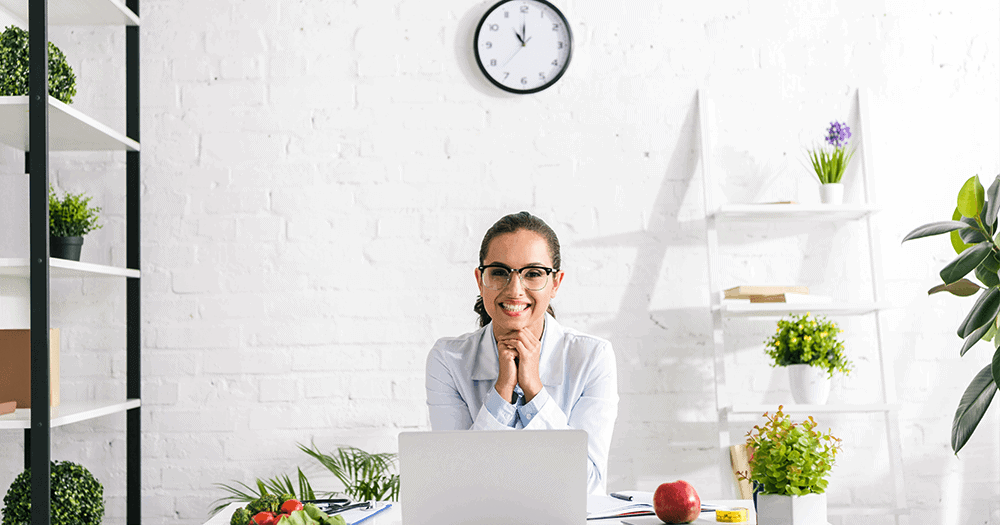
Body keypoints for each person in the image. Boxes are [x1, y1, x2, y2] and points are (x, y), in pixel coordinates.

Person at [425, 211, 619, 495]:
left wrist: (534, 390)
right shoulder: (448, 359)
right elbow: (457, 485)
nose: (515, 290)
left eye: (533, 273)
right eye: (500, 272)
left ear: (555, 283)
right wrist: (503, 390)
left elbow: (588, 484)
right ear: (481, 280)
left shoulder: (593, 357)